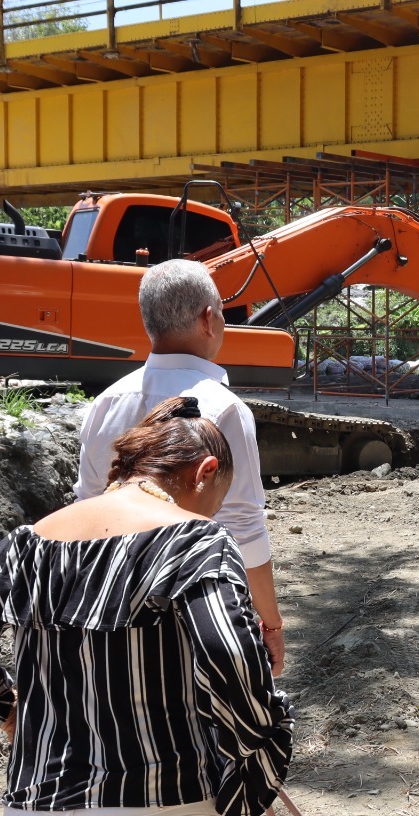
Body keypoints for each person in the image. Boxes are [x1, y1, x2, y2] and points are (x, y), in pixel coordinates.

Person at [0, 397, 294, 816]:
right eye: (216, 498)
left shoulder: (29, 543)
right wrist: (257, 752)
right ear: (204, 472)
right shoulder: (196, 541)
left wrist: (5, 713)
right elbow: (229, 658)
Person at [75, 259, 286, 673]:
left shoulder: (105, 403)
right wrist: (271, 623)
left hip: (107, 609)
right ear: (209, 319)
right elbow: (243, 525)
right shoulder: (223, 409)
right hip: (193, 607)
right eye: (223, 312)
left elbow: (85, 510)